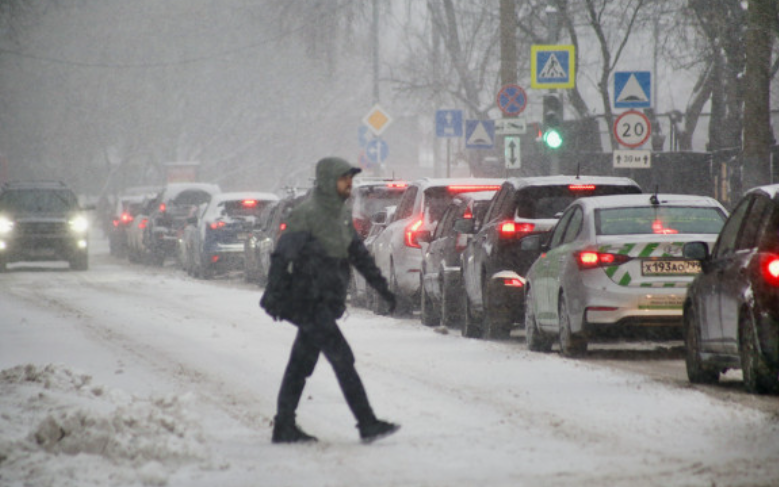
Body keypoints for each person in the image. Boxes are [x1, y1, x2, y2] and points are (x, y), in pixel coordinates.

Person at [260, 156, 400, 444]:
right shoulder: (307, 214)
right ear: (328, 181)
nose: (349, 183)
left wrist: (382, 288)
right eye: (343, 178)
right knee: (342, 359)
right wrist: (273, 294)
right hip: (308, 301)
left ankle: (284, 425)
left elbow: (359, 255)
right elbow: (283, 255)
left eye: (350, 178)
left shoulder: (339, 214)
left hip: (325, 302)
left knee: (300, 364)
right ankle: (367, 422)